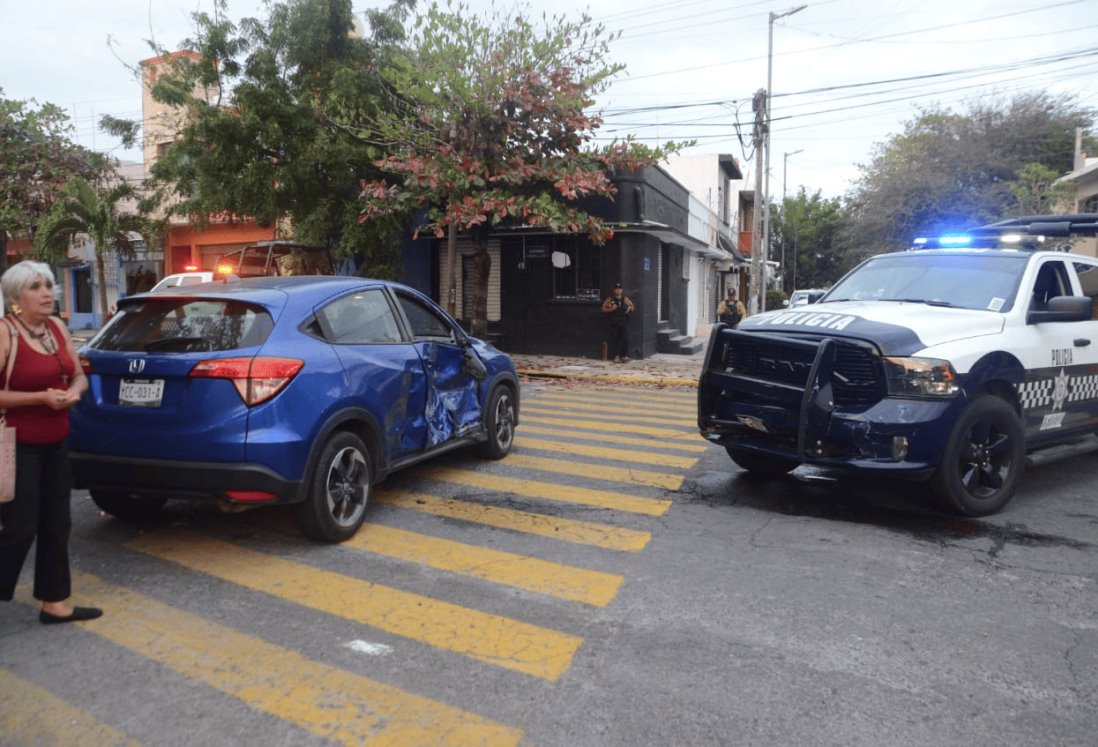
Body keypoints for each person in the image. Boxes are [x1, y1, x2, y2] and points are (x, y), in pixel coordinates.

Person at [0, 260, 100, 624]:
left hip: (56, 444)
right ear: (15, 297)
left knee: (58, 523)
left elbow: (78, 376)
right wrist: (39, 398)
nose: (46, 293)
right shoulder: (5, 333)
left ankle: (54, 602)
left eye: (48, 285)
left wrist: (72, 392)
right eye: (36, 287)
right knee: (19, 527)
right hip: (17, 446)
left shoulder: (56, 328)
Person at [601, 282, 635, 363]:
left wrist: (629, 309)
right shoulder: (610, 299)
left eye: (619, 289)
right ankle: (616, 356)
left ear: (622, 290)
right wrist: (611, 309)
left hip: (623, 322)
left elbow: (632, 307)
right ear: (614, 290)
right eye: (616, 289)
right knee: (615, 339)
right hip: (614, 323)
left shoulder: (625, 299)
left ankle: (624, 356)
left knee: (625, 339)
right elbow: (603, 309)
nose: (618, 290)